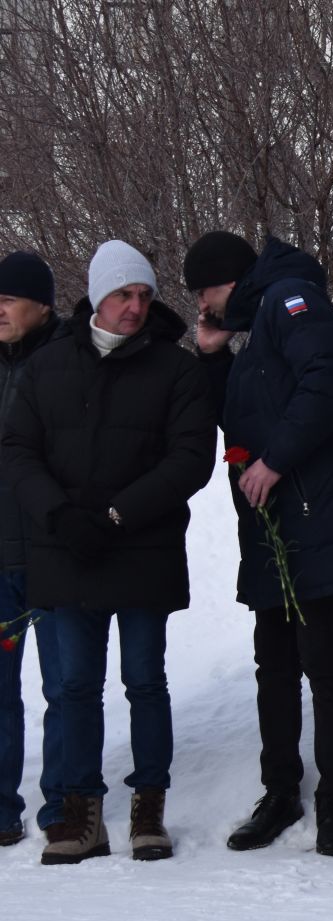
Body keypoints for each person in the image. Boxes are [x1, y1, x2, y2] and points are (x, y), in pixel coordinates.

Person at [0, 240, 215, 863]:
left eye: (145, 295)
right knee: (74, 686)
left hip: (142, 548)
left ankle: (149, 806)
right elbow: (17, 449)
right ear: (97, 296)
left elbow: (190, 459)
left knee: (145, 681)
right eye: (124, 294)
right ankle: (80, 812)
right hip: (67, 550)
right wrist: (61, 514)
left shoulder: (175, 370)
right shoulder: (49, 365)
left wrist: (119, 514)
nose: (135, 306)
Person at [186, 232, 333, 857]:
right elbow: (234, 421)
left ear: (229, 282)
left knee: (325, 668)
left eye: (205, 294)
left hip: (311, 515)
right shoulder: (256, 330)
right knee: (275, 669)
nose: (203, 307)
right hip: (270, 526)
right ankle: (280, 792)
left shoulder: (290, 299)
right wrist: (211, 358)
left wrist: (276, 462)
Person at [0, 250, 67, 846]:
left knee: (62, 689)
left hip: (53, 556)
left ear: (41, 305)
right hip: (0, 558)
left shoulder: (68, 361)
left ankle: (62, 809)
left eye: (7, 299)